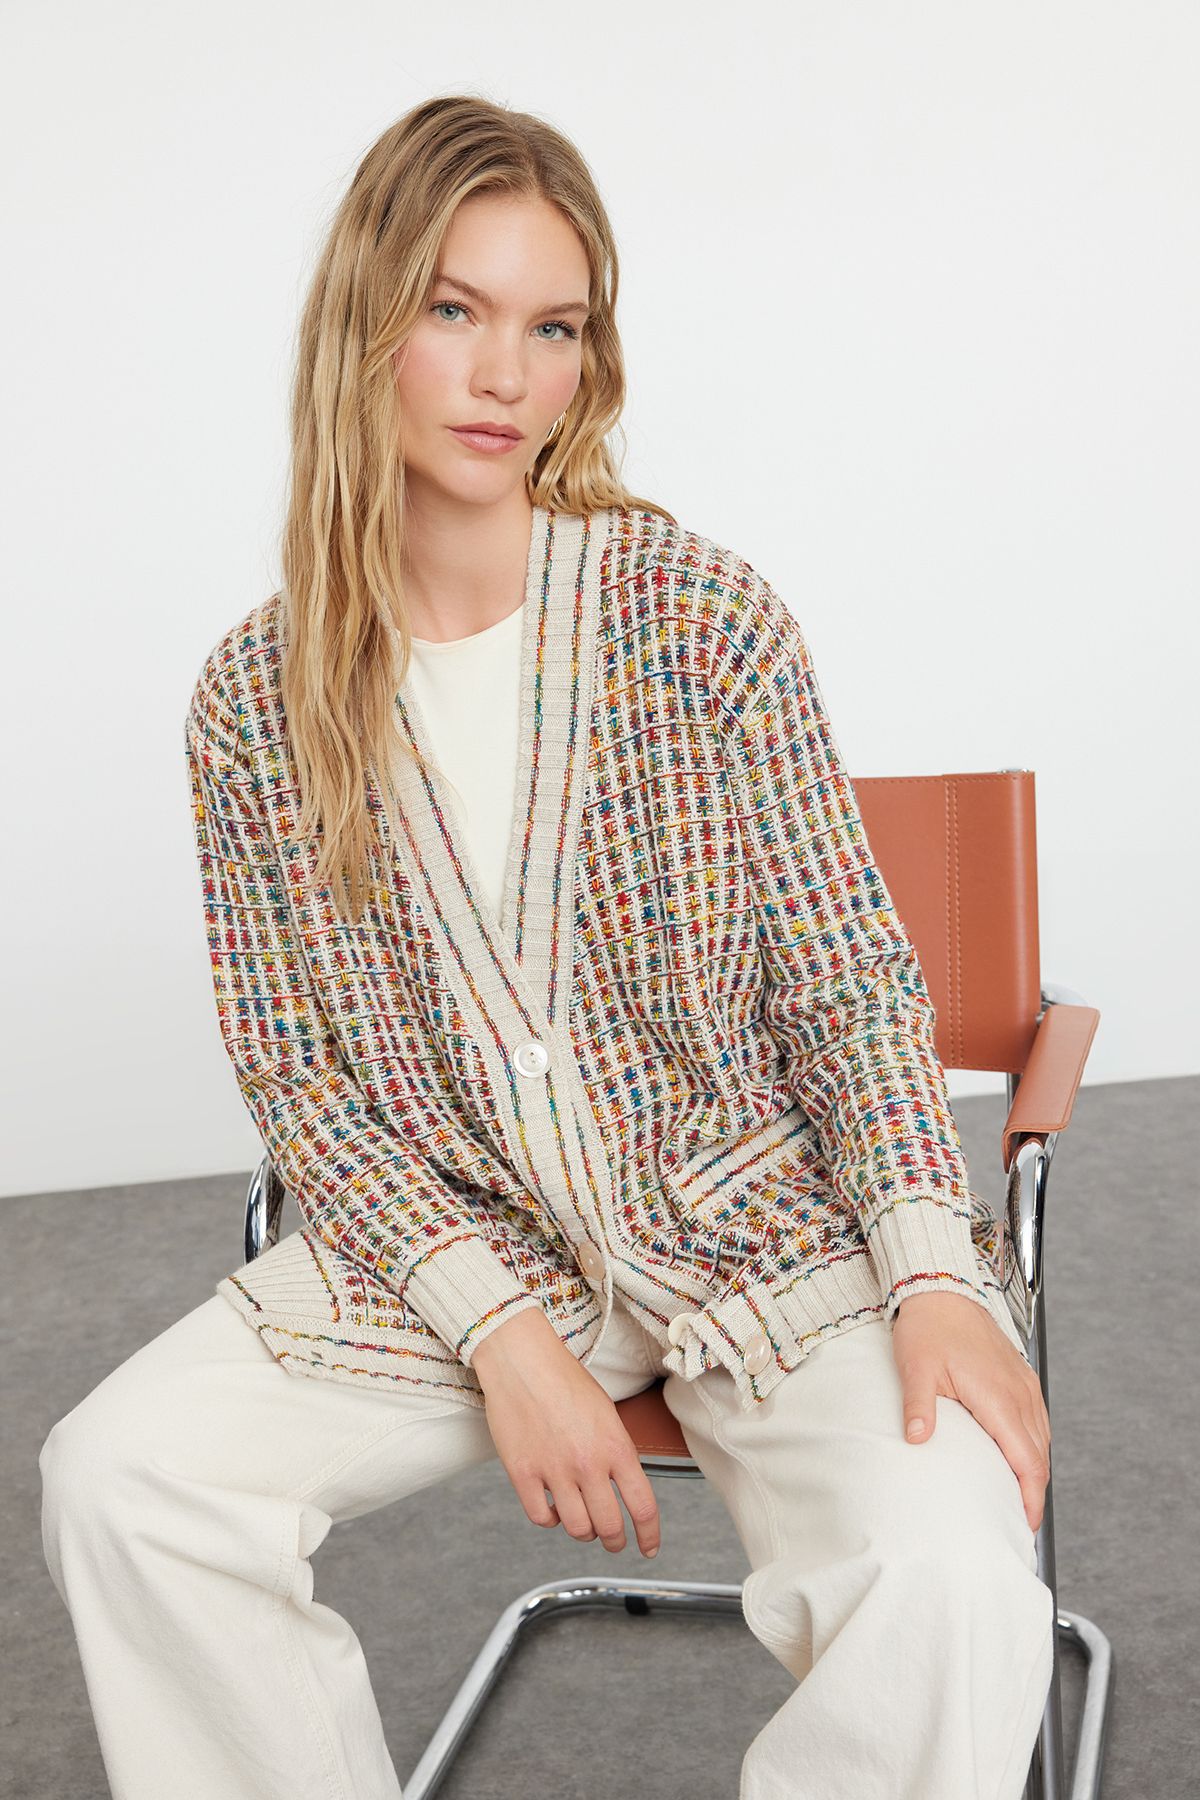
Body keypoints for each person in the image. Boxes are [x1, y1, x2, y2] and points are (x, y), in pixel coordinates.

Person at [38, 93, 1055, 1799]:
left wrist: (935, 1269)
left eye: (553, 326)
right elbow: (307, 1082)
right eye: (456, 309)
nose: (505, 374)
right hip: (464, 1246)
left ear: (592, 357)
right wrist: (505, 1339)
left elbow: (848, 982)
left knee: (951, 1573)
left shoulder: (700, 620)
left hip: (759, 1234)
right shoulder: (258, 698)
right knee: (119, 1477)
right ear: (367, 324)